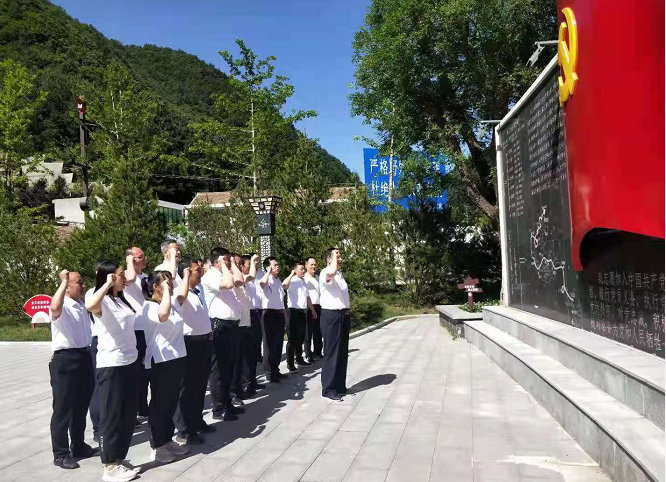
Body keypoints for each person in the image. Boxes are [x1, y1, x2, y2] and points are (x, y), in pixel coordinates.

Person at [85, 261, 141, 482]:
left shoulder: (121, 299)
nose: (124, 277)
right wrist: (106, 285)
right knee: (112, 415)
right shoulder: (102, 300)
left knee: (127, 415)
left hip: (130, 361)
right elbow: (90, 305)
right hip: (112, 364)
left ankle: (119, 458)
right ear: (109, 277)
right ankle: (109, 465)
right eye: (120, 274)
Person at [138, 271, 189, 463]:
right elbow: (162, 315)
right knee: (160, 404)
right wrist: (166, 291)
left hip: (176, 358)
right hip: (160, 360)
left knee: (171, 403)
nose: (171, 285)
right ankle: (157, 445)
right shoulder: (149, 306)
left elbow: (180, 296)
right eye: (166, 283)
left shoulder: (170, 303)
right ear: (155, 287)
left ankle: (167, 439)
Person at [49, 269, 97, 470]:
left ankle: (78, 445)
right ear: (67, 288)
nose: (83, 286)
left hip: (84, 356)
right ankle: (60, 453)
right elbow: (54, 307)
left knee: (80, 406)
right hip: (66, 360)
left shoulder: (81, 304)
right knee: (63, 409)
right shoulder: (61, 304)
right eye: (79, 282)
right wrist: (63, 281)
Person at [173, 259, 216, 445]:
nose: (201, 273)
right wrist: (184, 276)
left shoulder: (198, 291)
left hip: (203, 343)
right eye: (197, 270)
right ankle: (184, 430)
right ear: (187, 272)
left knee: (199, 386)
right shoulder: (179, 292)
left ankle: (197, 421)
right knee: (187, 389)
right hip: (189, 344)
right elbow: (181, 297)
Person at [201, 247, 246, 421]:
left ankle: (227, 403)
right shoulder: (210, 276)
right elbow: (228, 285)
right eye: (226, 259)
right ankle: (219, 408)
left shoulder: (225, 274)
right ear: (217, 261)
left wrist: (232, 263)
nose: (229, 262)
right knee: (219, 369)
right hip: (219, 325)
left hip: (232, 325)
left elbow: (239, 280)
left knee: (230, 368)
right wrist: (225, 265)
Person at [319, 248, 351, 402]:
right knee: (332, 352)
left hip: (343, 314)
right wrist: (333, 256)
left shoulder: (339, 274)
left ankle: (339, 386)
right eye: (336, 255)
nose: (340, 258)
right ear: (329, 259)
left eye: (340, 255)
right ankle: (328, 389)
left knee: (342, 352)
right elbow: (331, 272)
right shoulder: (325, 272)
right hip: (331, 316)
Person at [122, 248, 150, 422]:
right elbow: (131, 278)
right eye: (140, 257)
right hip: (134, 329)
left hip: (147, 328)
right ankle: (132, 411)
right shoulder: (126, 276)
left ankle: (143, 406)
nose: (144, 259)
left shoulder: (145, 277)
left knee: (145, 371)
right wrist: (129, 263)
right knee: (135, 372)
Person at [231, 253, 259, 401]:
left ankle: (246, 386)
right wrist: (253, 261)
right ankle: (235, 392)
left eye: (239, 264)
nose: (238, 266)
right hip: (237, 325)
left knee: (248, 358)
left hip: (247, 323)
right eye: (235, 263)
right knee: (237, 361)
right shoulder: (234, 279)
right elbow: (251, 276)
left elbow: (251, 276)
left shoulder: (244, 280)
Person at [258, 256, 288, 383]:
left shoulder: (278, 281)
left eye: (277, 265)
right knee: (269, 344)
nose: (277, 267)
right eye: (274, 265)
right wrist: (268, 272)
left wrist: (284, 314)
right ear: (267, 267)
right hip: (268, 314)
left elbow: (281, 300)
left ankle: (276, 369)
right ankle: (269, 372)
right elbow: (262, 284)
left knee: (278, 343)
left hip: (279, 313)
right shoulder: (265, 279)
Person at [283, 262, 316, 373]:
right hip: (293, 311)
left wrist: (312, 310)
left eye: (303, 269)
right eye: (301, 269)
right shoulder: (292, 280)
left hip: (303, 311)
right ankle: (290, 363)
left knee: (301, 338)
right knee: (292, 339)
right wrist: (291, 274)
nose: (303, 271)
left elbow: (307, 298)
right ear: (295, 270)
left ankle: (299, 358)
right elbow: (284, 285)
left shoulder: (304, 281)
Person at [241, 254, 265, 395]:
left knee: (255, 349)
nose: (252, 266)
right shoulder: (242, 279)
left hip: (255, 313)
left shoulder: (253, 280)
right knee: (247, 352)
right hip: (246, 315)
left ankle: (252, 380)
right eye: (249, 264)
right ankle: (245, 383)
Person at [303, 257, 323, 362]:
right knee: (308, 332)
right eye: (311, 264)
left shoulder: (318, 277)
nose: (314, 266)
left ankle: (318, 352)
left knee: (318, 331)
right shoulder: (304, 278)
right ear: (306, 265)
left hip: (319, 306)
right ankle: (308, 353)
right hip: (308, 307)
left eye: (315, 264)